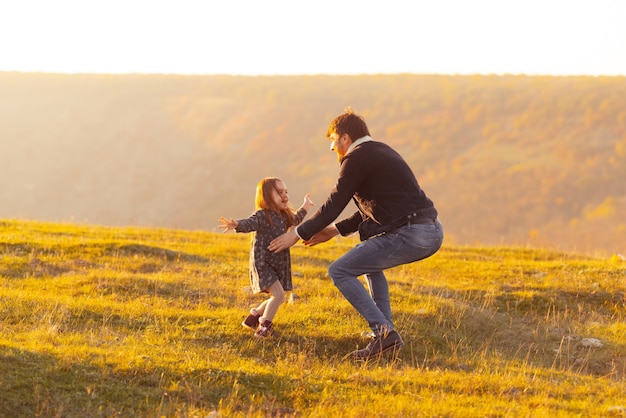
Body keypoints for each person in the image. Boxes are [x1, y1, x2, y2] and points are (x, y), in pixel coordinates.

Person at [268, 108, 443, 360]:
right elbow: (375, 207)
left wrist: (296, 233)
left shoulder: (357, 157)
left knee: (339, 270)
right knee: (370, 263)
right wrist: (335, 230)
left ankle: (384, 335)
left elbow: (334, 203)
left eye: (332, 140)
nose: (331, 148)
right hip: (431, 231)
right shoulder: (380, 151)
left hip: (412, 232)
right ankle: (384, 334)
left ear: (345, 138)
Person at [218, 177, 314, 338]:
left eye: (286, 192)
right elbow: (250, 223)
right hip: (263, 264)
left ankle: (253, 318)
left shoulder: (284, 215)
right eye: (279, 192)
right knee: (279, 295)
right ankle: (264, 327)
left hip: (277, 264)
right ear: (267, 197)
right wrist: (236, 225)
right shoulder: (263, 215)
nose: (285, 196)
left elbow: (296, 219)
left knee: (277, 294)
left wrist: (305, 205)